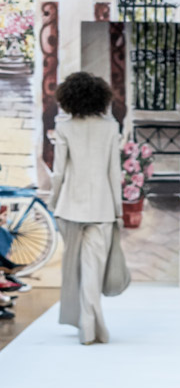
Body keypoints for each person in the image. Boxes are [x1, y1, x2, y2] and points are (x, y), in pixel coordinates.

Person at [48, 72, 124, 345]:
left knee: (76, 268)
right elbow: (114, 172)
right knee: (93, 268)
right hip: (102, 207)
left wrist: (53, 200)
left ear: (69, 98)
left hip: (70, 206)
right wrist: (118, 209)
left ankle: (88, 323)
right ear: (100, 97)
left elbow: (59, 172)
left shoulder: (64, 127)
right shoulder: (110, 127)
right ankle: (91, 324)